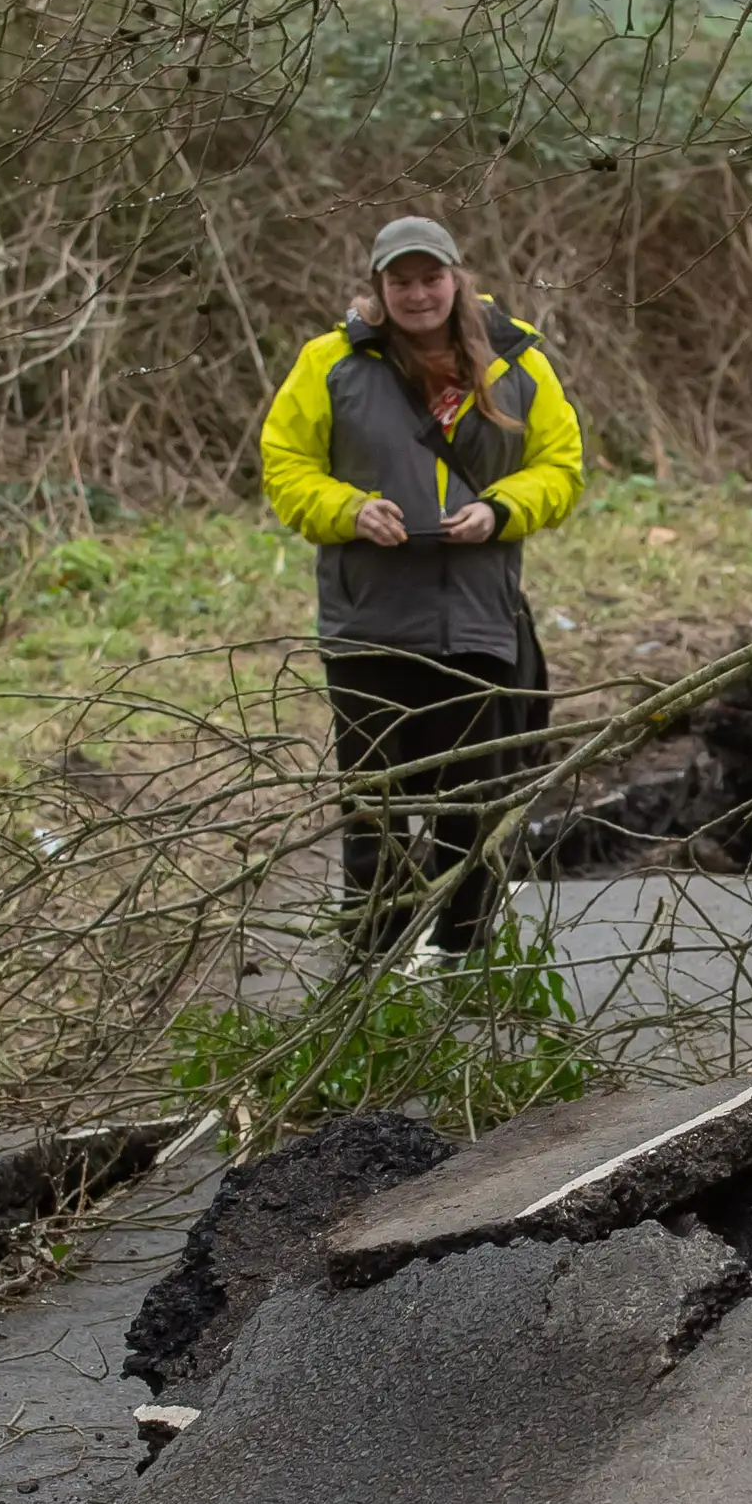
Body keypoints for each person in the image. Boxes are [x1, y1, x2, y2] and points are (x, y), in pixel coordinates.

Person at [263, 216, 587, 970]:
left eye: (430, 278)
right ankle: (368, 969)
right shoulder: (330, 363)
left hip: (476, 617)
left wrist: (499, 510)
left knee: (474, 804)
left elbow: (561, 467)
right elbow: (286, 467)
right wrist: (348, 510)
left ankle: (461, 961)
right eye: (400, 281)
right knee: (374, 809)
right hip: (368, 623)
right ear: (379, 286)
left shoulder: (516, 360)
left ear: (455, 277)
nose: (417, 294)